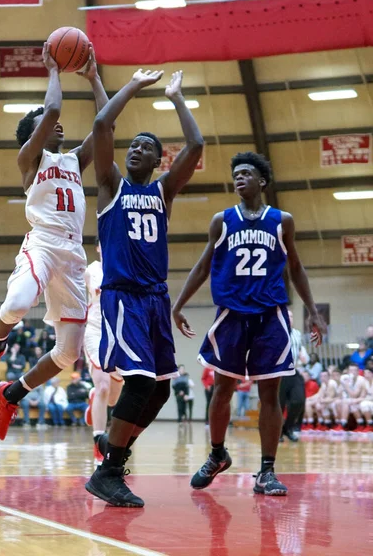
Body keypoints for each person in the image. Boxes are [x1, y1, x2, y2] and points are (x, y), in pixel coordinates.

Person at [0, 43, 109, 441]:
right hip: (43, 244)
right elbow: (51, 113)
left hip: (73, 252)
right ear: (33, 135)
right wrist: (52, 70)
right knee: (15, 304)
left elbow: (105, 126)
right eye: (45, 126)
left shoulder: (75, 161)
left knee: (68, 354)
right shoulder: (30, 160)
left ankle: (10, 394)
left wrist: (95, 78)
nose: (57, 127)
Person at [85, 68, 204, 507]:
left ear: (158, 162)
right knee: (137, 382)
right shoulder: (110, 185)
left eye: (147, 148)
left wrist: (176, 96)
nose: (136, 150)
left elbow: (196, 146)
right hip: (123, 298)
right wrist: (133, 84)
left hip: (155, 299)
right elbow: (101, 126)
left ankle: (113, 449)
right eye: (133, 145)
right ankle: (109, 470)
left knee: (159, 389)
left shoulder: (162, 192)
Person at [172, 151, 324, 496]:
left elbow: (295, 268)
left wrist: (313, 311)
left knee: (269, 393)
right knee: (222, 389)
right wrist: (178, 304)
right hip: (231, 315)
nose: (239, 178)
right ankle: (216, 455)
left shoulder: (282, 220)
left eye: (246, 173)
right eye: (236, 174)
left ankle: (267, 470)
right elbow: (202, 267)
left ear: (262, 182)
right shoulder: (222, 220)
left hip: (270, 315)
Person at [83, 241, 123, 464]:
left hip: (119, 334)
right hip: (96, 330)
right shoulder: (92, 270)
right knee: (104, 387)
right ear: (99, 247)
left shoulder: (126, 266)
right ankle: (99, 443)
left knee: (113, 398)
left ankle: (94, 399)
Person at [279, 310, 309, 442]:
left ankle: (288, 427)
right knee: (279, 405)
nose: (289, 318)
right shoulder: (276, 332)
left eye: (291, 316)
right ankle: (278, 432)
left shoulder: (297, 333)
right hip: (279, 373)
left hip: (294, 371)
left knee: (299, 401)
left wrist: (304, 359)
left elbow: (300, 350)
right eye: (287, 316)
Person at [338, 363, 368, 431]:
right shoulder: (346, 378)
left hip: (362, 399)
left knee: (349, 403)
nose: (353, 372)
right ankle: (342, 424)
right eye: (351, 371)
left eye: (355, 370)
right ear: (348, 372)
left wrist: (346, 386)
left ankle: (345, 424)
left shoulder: (361, 380)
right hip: (352, 400)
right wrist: (342, 387)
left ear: (358, 371)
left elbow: (354, 395)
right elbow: (339, 394)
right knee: (338, 403)